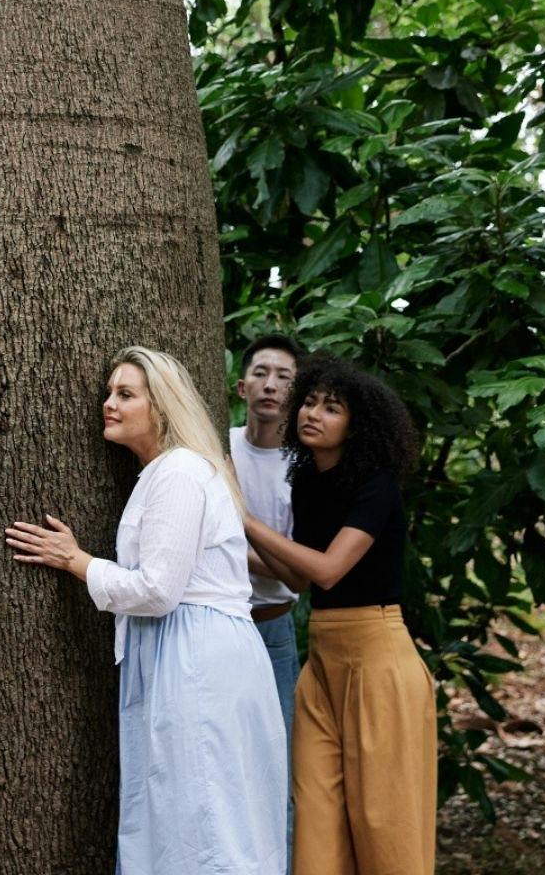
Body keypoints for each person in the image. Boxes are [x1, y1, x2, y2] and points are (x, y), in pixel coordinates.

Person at [5, 346, 286, 875]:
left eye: (125, 394)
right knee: (186, 812)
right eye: (110, 392)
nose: (108, 404)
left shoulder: (180, 471)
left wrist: (78, 561)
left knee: (204, 815)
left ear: (161, 408)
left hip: (196, 659)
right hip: (182, 652)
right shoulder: (164, 473)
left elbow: (158, 591)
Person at [242, 354, 435, 875]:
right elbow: (298, 578)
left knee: (383, 822)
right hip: (324, 662)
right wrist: (222, 542)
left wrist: (244, 519)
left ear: (357, 424)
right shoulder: (307, 482)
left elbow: (327, 570)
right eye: (309, 402)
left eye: (332, 408)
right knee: (318, 819)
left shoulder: (377, 486)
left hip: (378, 663)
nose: (313, 414)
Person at [231, 333, 303, 863]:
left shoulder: (304, 469)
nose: (270, 384)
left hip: (275, 629)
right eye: (260, 372)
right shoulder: (219, 449)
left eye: (283, 376)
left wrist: (231, 543)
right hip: (216, 623)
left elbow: (300, 575)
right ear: (240, 386)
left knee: (276, 768)